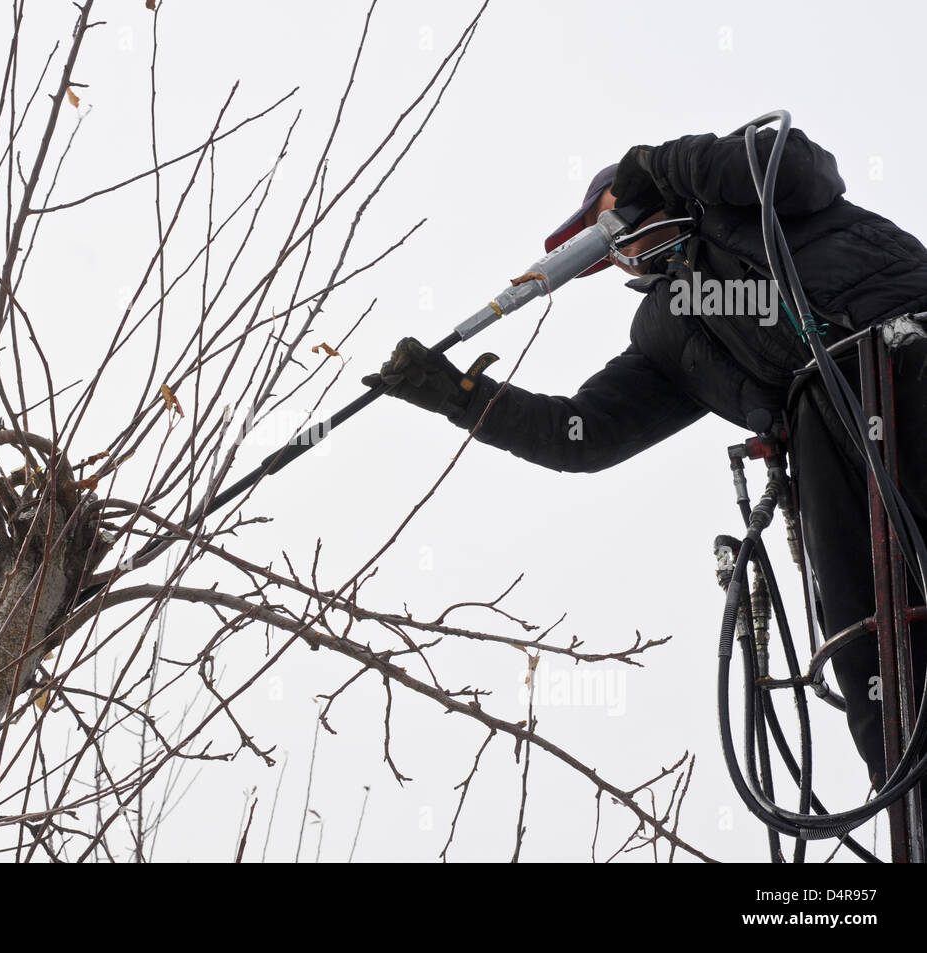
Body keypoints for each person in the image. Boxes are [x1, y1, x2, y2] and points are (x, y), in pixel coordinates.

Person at [365, 127, 927, 789]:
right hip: (823, 431)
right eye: (610, 240)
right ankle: (910, 793)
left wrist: (661, 165)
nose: (620, 239)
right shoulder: (669, 328)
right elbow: (582, 433)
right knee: (865, 637)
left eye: (619, 212)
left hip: (905, 345)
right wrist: (460, 396)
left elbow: (797, 164)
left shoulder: (748, 194)